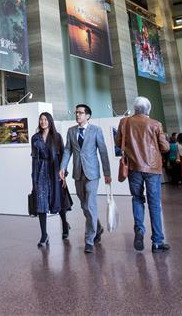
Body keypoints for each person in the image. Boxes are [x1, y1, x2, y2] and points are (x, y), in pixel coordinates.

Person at [115, 96, 171, 253]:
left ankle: (139, 230)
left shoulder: (124, 122)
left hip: (133, 168)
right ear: (148, 110)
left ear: (135, 109)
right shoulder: (155, 124)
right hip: (152, 169)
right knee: (154, 203)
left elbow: (118, 142)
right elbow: (165, 147)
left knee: (137, 199)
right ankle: (157, 242)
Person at [59, 103, 111, 253]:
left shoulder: (96, 130)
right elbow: (68, 150)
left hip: (92, 173)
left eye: (80, 113)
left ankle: (89, 240)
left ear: (88, 116)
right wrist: (63, 167)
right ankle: (98, 227)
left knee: (90, 205)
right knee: (83, 205)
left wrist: (107, 173)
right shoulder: (71, 131)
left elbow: (103, 151)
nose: (77, 115)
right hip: (77, 172)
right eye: (76, 112)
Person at [31, 111, 70, 247]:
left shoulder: (57, 137)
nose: (43, 122)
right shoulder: (35, 138)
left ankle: (65, 224)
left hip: (55, 171)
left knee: (58, 200)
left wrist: (64, 174)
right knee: (41, 202)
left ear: (50, 121)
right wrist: (33, 177)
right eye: (41, 119)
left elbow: (63, 157)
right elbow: (34, 158)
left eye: (46, 119)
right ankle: (44, 235)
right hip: (41, 171)